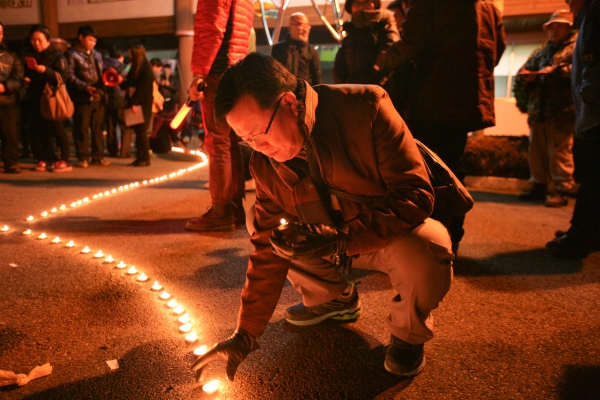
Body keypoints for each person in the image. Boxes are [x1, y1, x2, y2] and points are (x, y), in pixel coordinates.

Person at [191, 53, 453, 382]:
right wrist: (246, 333)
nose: (260, 147)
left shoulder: (365, 108)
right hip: (326, 241)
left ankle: (408, 334)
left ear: (289, 103)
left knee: (429, 246)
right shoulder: (264, 164)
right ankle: (333, 298)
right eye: (248, 141)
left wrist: (344, 238)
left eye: (260, 133)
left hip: (384, 234)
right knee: (267, 230)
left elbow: (414, 194)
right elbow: (265, 248)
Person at [377, 0, 506, 254]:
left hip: (431, 97)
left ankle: (423, 240)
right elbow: (496, 51)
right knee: (453, 169)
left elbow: (413, 43)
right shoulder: (489, 8)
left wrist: (383, 59)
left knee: (420, 170)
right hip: (467, 99)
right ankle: (450, 238)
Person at [185, 0, 254, 232]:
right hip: (236, 69)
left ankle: (221, 210)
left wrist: (198, 73)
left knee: (218, 142)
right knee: (231, 141)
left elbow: (212, 29)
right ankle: (234, 207)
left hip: (216, 71)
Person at [546, 0, 600, 258]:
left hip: (595, 110)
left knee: (593, 177)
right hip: (589, 109)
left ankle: (579, 236)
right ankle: (590, 233)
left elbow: (593, 63)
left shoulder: (595, 12)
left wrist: (586, 94)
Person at [514, 10, 577, 207]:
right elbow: (522, 72)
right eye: (551, 26)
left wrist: (555, 71)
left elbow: (579, 72)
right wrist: (526, 76)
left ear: (568, 27)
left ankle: (562, 189)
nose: (553, 30)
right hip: (538, 110)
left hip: (562, 111)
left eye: (558, 26)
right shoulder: (542, 52)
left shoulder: (576, 49)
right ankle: (538, 186)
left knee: (560, 152)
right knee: (537, 151)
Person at [23, 24, 72, 173]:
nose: (36, 43)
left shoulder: (57, 56)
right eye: (33, 40)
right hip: (35, 97)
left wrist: (47, 71)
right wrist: (26, 78)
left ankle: (64, 159)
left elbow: (63, 77)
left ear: (48, 40)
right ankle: (47, 158)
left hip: (53, 97)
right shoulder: (29, 55)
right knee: (39, 129)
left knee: (57, 128)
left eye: (39, 40)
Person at [66, 24, 109, 168]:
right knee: (81, 128)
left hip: (98, 96)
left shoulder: (97, 54)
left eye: (95, 41)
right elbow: (69, 76)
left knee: (97, 129)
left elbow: (102, 72)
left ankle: (98, 156)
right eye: (90, 40)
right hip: (82, 97)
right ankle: (82, 157)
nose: (93, 43)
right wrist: (85, 87)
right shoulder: (72, 54)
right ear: (81, 37)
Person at [333, 0, 399, 85]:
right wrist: (344, 88)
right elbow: (339, 67)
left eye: (366, 2)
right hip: (352, 93)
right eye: (357, 2)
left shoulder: (384, 26)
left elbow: (388, 58)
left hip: (379, 92)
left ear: (375, 4)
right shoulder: (351, 31)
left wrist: (370, 87)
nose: (361, 6)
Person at [122, 44, 154, 166]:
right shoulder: (135, 66)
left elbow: (142, 88)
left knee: (141, 131)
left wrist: (134, 102)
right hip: (135, 102)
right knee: (138, 131)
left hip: (142, 103)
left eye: (131, 53)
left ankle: (145, 158)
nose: (129, 56)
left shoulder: (145, 68)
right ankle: (140, 157)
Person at [271, 12, 321, 85]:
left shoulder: (312, 51)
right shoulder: (278, 49)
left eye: (307, 25)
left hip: (305, 94)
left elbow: (317, 77)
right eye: (301, 25)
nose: (305, 30)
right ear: (290, 27)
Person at [0, 21, 24, 174]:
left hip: (6, 100)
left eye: (0, 32)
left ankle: (11, 162)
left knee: (9, 133)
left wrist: (5, 86)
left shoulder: (11, 56)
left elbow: (18, 78)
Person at [103, 46, 132, 157]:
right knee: (124, 126)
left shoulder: (103, 66)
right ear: (121, 56)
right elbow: (128, 78)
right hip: (121, 99)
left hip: (107, 100)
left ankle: (112, 150)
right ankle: (124, 152)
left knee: (110, 126)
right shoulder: (123, 67)